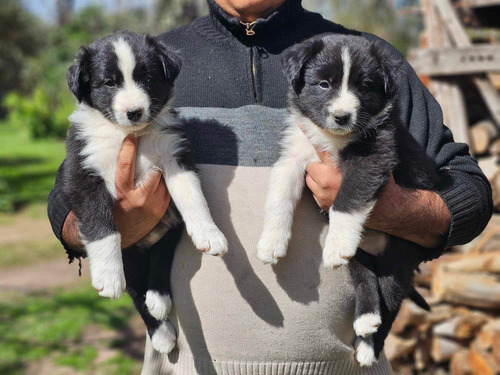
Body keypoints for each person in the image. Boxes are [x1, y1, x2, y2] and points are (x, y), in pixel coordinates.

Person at [47, 0, 492, 373]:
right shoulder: (158, 63)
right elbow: (63, 210)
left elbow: (471, 194)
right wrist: (118, 224)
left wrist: (385, 206)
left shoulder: (365, 59)